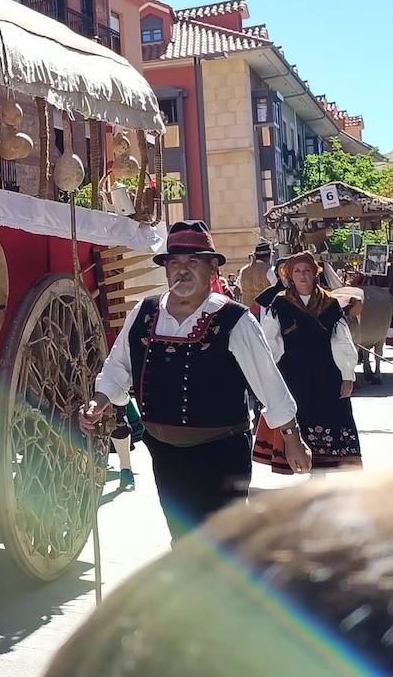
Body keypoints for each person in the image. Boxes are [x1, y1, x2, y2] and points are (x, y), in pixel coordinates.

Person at [78, 220, 309, 542]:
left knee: (224, 544)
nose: (182, 271)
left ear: (212, 268)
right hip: (165, 453)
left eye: (193, 262)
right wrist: (99, 401)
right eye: (174, 263)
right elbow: (118, 366)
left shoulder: (234, 319)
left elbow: (268, 383)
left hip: (221, 453)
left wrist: (292, 437)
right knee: (183, 540)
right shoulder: (143, 313)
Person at [43, 472, 393, 677]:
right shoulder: (138, 339)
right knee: (182, 519)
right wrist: (102, 400)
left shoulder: (236, 338)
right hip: (165, 443)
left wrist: (286, 425)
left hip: (218, 445)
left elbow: (261, 372)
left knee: (218, 524)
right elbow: (120, 370)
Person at [252, 252, 361, 475]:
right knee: (298, 418)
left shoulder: (330, 304)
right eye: (297, 271)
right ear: (290, 276)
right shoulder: (279, 304)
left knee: (330, 417)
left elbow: (342, 341)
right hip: (294, 374)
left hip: (327, 375)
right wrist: (270, 374)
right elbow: (269, 340)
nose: (302, 275)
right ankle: (302, 464)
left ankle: (324, 469)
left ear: (314, 274)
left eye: (307, 270)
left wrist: (348, 376)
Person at [236, 241, 274, 307]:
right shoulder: (271, 270)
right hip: (265, 311)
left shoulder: (243, 270)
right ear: (269, 255)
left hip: (247, 311)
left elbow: (238, 289)